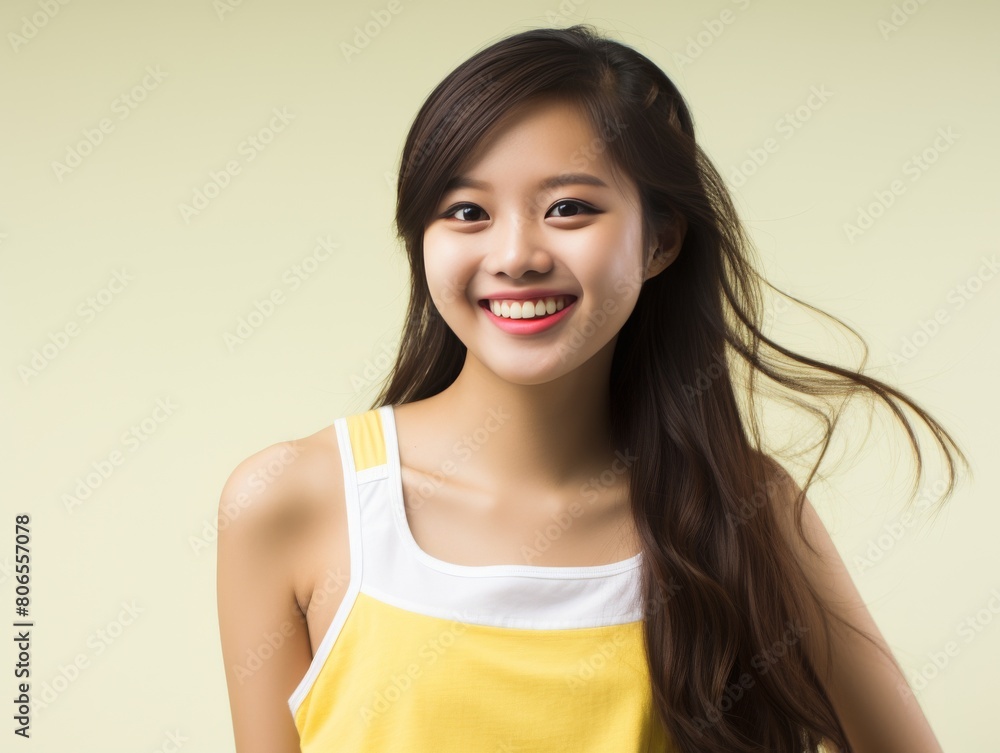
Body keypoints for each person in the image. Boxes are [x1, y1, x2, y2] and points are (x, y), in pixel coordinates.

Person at [216, 24, 968, 753]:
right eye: (467, 212)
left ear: (660, 240)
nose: (515, 255)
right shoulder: (290, 501)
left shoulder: (743, 509)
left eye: (569, 208)